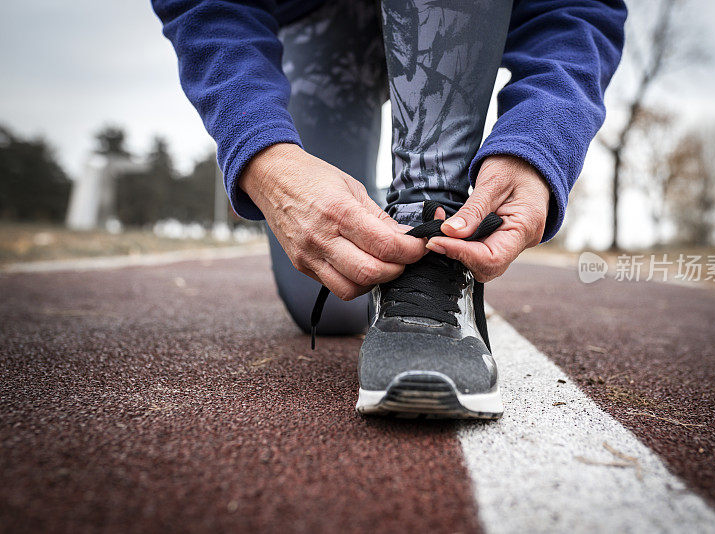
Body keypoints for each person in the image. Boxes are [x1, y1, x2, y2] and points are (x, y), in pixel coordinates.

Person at [152, 0, 626, 419]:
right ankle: (395, 223)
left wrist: (539, 146)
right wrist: (262, 154)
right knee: (334, 301)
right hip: (318, 18)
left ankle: (429, 202)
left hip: (469, 17)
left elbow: (580, 7)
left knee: (380, 253)